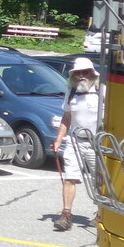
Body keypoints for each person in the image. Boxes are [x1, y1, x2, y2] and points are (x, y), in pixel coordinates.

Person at [51, 57, 101, 231]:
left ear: (92, 73)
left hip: (97, 143)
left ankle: (102, 213)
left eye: (85, 72)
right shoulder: (71, 92)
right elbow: (67, 118)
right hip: (75, 140)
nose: (81, 76)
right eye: (78, 73)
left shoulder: (102, 91)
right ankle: (66, 215)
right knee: (69, 178)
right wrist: (58, 140)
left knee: (99, 181)